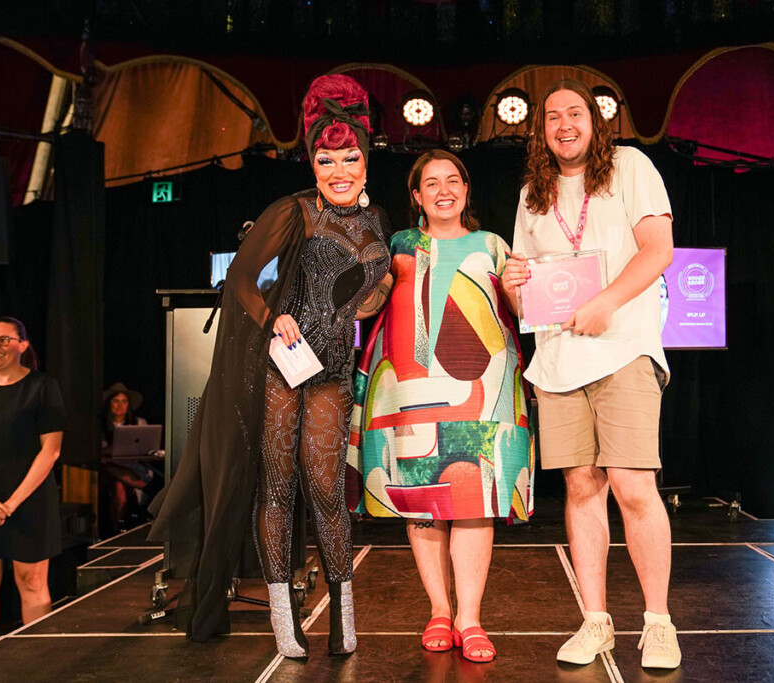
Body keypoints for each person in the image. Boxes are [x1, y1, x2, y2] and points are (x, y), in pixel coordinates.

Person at [149, 74, 392, 658]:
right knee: (278, 489)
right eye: (326, 159)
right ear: (312, 163)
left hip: (332, 367)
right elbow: (240, 278)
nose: (339, 170)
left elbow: (377, 278)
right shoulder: (294, 211)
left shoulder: (378, 218)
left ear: (365, 159)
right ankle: (287, 623)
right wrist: (271, 318)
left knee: (328, 489)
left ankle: (342, 619)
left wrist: (375, 293)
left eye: (349, 158)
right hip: (282, 367)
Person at [501, 78, 681, 670]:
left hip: (624, 348)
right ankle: (596, 621)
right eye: (551, 116)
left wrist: (605, 302)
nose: (563, 124)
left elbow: (658, 250)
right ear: (541, 130)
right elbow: (525, 288)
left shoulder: (631, 166)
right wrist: (513, 284)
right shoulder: (533, 193)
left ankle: (657, 622)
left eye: (573, 112)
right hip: (558, 362)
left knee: (633, 486)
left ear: (595, 121)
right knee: (581, 490)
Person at [347, 150, 533, 663]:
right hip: (410, 390)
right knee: (424, 503)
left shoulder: (494, 245)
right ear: (417, 196)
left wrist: (519, 289)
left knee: (474, 501)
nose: (444, 189)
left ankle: (470, 618)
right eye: (432, 183)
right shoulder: (399, 245)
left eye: (454, 180)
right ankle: (439, 611)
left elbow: (521, 313)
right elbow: (371, 300)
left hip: (485, 390)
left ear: (467, 190)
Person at [0, 317, 65, 651]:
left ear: (22, 344)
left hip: (29, 499)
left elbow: (51, 450)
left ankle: (36, 669)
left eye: (4, 340)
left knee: (32, 581)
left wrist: (12, 503)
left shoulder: (42, 387)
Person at [99, 382, 160, 533]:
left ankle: (118, 528)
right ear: (109, 404)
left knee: (119, 486)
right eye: (116, 401)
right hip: (108, 469)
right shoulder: (100, 426)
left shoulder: (139, 423)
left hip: (135, 466)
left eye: (124, 401)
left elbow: (148, 447)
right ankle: (147, 489)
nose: (120, 406)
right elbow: (98, 452)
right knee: (113, 474)